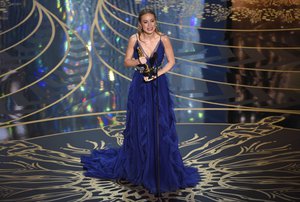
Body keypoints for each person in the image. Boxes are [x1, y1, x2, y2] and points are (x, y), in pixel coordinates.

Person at [81, 8, 200, 194]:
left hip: (158, 86)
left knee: (160, 125)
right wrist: (138, 61)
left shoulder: (164, 39)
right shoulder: (134, 39)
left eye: (152, 21)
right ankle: (140, 165)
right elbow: (126, 61)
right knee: (141, 124)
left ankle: (158, 166)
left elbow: (171, 61)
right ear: (140, 24)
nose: (150, 25)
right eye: (146, 22)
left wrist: (157, 74)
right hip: (139, 86)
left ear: (156, 22)